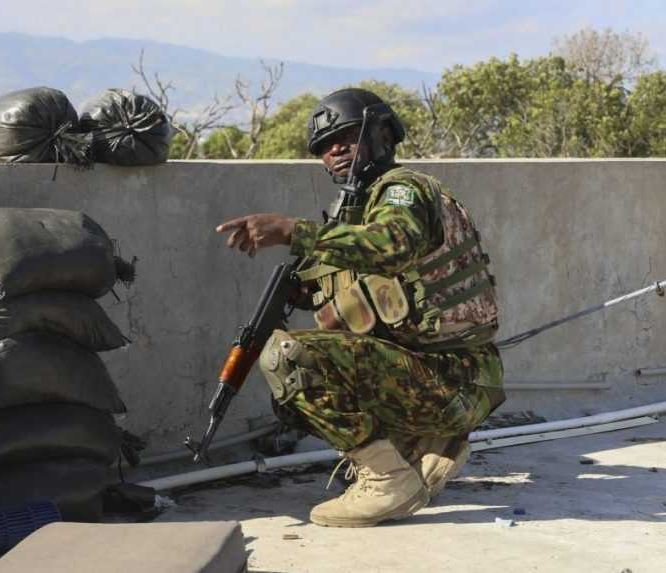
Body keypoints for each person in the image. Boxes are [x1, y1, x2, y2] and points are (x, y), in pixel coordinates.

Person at [215, 87, 505, 528]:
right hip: (435, 378)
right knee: (292, 395)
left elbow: (391, 245)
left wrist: (294, 231)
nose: (334, 151)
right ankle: (425, 445)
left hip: (454, 378)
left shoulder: (402, 190)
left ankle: (388, 477)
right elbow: (364, 285)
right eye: (325, 148)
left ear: (383, 135)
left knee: (287, 358)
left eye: (347, 138)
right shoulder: (358, 213)